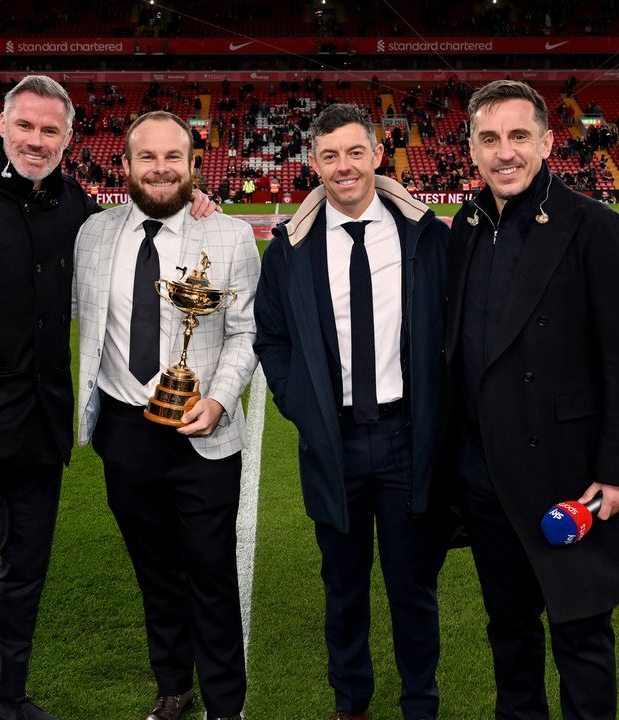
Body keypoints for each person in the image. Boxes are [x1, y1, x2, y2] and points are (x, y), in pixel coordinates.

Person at [0, 75, 215, 720]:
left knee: (24, 577)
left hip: (38, 431)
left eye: (50, 130)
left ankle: (9, 699)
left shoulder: (75, 207)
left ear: (68, 137)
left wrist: (190, 201)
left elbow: (136, 228)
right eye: (26, 126)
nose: (37, 141)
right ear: (1, 126)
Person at [442, 79, 619, 720]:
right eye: (489, 139)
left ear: (547, 142)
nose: (504, 153)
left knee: (581, 633)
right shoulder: (467, 224)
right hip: (485, 474)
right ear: (472, 150)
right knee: (508, 630)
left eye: (518, 136)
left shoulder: (596, 227)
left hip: (569, 472)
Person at [253, 103, 448, 720]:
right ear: (313, 163)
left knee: (413, 585)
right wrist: (305, 409)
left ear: (378, 154)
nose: (344, 167)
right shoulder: (291, 249)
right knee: (343, 586)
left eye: (355, 152)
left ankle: (420, 698)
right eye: (329, 155)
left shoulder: (427, 235)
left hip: (406, 438)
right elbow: (272, 339)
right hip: (332, 441)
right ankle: (352, 700)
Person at [73, 111, 258, 720]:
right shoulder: (93, 234)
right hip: (125, 430)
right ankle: (173, 685)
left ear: (193, 166)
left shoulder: (228, 236)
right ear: (124, 165)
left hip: (203, 431)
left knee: (210, 571)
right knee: (154, 570)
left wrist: (219, 399)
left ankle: (226, 703)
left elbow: (244, 332)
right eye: (146, 157)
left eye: (172, 157)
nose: (159, 169)